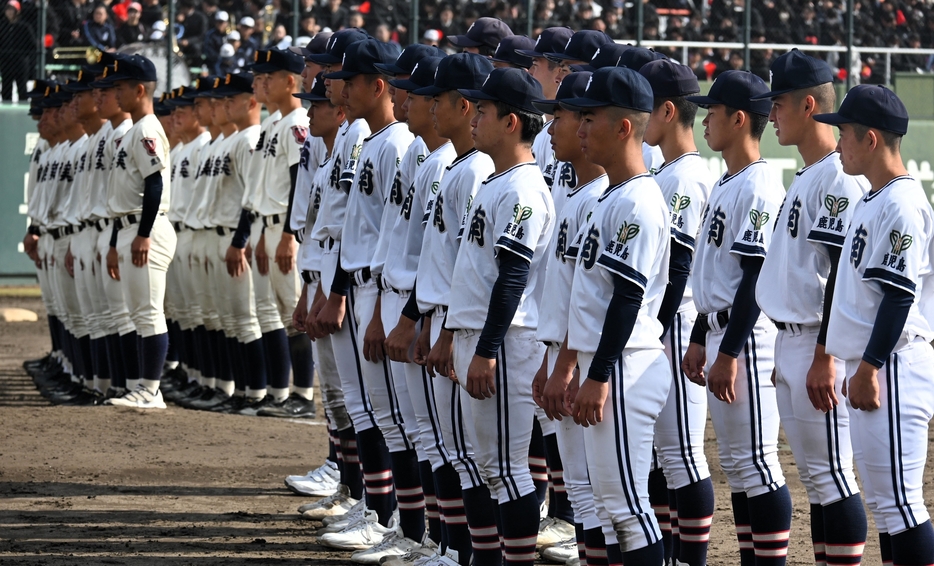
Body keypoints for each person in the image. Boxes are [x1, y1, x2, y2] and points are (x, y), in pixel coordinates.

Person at [753, 50, 870, 566]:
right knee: (819, 481)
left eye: (777, 104)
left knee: (834, 477)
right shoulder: (810, 174)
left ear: (807, 105)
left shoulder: (838, 177)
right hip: (793, 339)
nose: (771, 114)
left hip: (819, 343)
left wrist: (826, 353)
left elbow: (841, 273)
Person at [558, 65, 672, 565]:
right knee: (610, 508)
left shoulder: (639, 200)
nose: (581, 128)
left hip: (626, 365)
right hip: (608, 363)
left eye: (591, 118)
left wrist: (598, 375)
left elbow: (627, 299)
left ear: (624, 126)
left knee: (628, 510)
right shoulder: (612, 195)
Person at [815, 84, 934, 566]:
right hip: (876, 363)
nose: (837, 143)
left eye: (843, 133)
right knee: (888, 510)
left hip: (893, 365)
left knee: (902, 504)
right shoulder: (873, 199)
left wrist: (869, 366)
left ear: (870, 139)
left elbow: (899, 295)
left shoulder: (901, 202)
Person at [318, 38, 426, 553]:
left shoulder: (399, 146)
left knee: (400, 422)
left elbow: (397, 235)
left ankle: (400, 522)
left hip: (390, 294)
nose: (335, 87)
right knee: (372, 412)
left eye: (347, 79)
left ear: (375, 85)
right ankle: (382, 512)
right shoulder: (372, 140)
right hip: (366, 287)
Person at [683, 70, 790, 565]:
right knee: (741, 466)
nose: (705, 121)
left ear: (739, 118)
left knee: (759, 465)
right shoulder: (729, 180)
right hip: (724, 330)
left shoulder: (760, 185)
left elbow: (754, 278)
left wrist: (727, 350)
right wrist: (704, 335)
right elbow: (717, 276)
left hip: (747, 336)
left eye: (714, 112)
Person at [449, 67, 554, 566]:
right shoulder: (499, 180)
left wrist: (486, 349)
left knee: (507, 469)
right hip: (484, 335)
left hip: (509, 342)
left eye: (484, 111)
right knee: (489, 466)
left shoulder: (523, 188)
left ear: (511, 122)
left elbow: (513, 277)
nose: (474, 117)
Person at [531, 70, 611, 566]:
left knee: (608, 496)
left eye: (560, 117)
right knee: (583, 491)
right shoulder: (578, 196)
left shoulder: (601, 200)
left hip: (589, 360)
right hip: (564, 352)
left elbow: (597, 300)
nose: (555, 127)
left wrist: (566, 364)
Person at [639, 58, 715, 566]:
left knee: (683, 456)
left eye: (647, 106)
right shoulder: (666, 170)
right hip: (662, 326)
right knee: (667, 458)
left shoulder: (688, 174)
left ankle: (692, 559)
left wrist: (658, 331)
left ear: (668, 111)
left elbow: (682, 266)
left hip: (679, 322)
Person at [102, 54, 178, 408]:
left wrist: (143, 234)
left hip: (147, 227)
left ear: (140, 89)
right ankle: (144, 386)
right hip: (131, 226)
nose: (115, 93)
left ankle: (150, 389)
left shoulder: (147, 127)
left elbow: (155, 185)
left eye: (121, 87)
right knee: (138, 313)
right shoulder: (135, 130)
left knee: (148, 312)